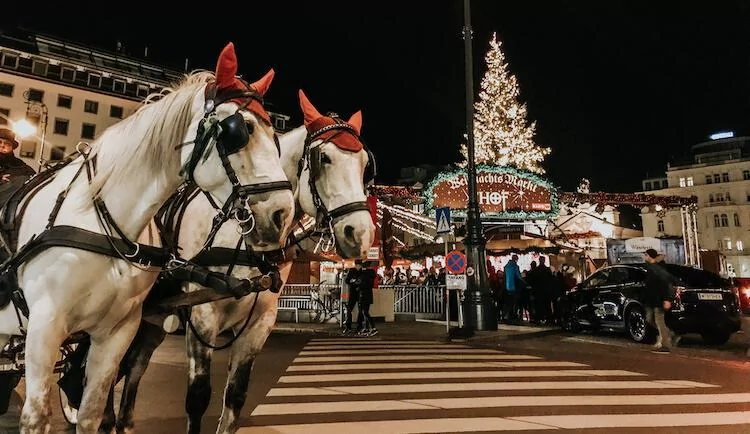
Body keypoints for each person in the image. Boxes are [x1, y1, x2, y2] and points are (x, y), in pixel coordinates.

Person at [643, 248, 678, 353]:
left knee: (659, 320)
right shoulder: (650, 268)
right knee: (649, 319)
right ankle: (669, 334)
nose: (644, 257)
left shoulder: (659, 269)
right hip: (652, 299)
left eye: (645, 255)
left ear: (649, 256)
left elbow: (664, 285)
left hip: (659, 299)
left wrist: (666, 299)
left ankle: (665, 345)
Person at [355, 261, 378, 336]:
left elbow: (362, 284)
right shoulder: (370, 274)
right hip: (368, 295)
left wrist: (358, 286)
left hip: (363, 295)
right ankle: (367, 327)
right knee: (365, 311)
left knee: (364, 312)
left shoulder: (364, 275)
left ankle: (373, 327)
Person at [503, 254, 524, 323]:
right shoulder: (515, 266)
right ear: (516, 259)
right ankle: (513, 316)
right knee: (515, 303)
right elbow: (519, 277)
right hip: (514, 287)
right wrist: (524, 282)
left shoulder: (506, 267)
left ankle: (506, 315)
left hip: (507, 287)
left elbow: (505, 277)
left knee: (508, 302)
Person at [342, 262, 363, 334]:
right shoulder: (352, 271)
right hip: (353, 293)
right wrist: (352, 281)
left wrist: (355, 282)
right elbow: (347, 280)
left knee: (360, 310)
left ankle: (359, 326)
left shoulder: (362, 272)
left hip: (359, 293)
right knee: (349, 309)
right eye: (357, 265)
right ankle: (348, 326)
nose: (358, 266)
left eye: (359, 265)